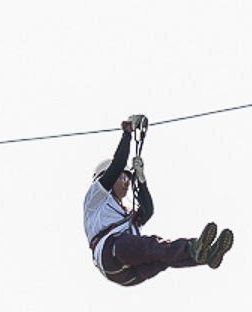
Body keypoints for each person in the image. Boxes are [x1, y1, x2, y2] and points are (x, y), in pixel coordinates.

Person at [84, 115, 234, 286]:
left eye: (128, 179)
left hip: (130, 275)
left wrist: (141, 180)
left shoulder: (123, 215)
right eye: (122, 178)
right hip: (111, 253)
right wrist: (127, 133)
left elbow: (147, 211)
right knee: (153, 246)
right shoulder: (95, 199)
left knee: (164, 256)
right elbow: (117, 164)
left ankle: (205, 255)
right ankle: (192, 247)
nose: (126, 182)